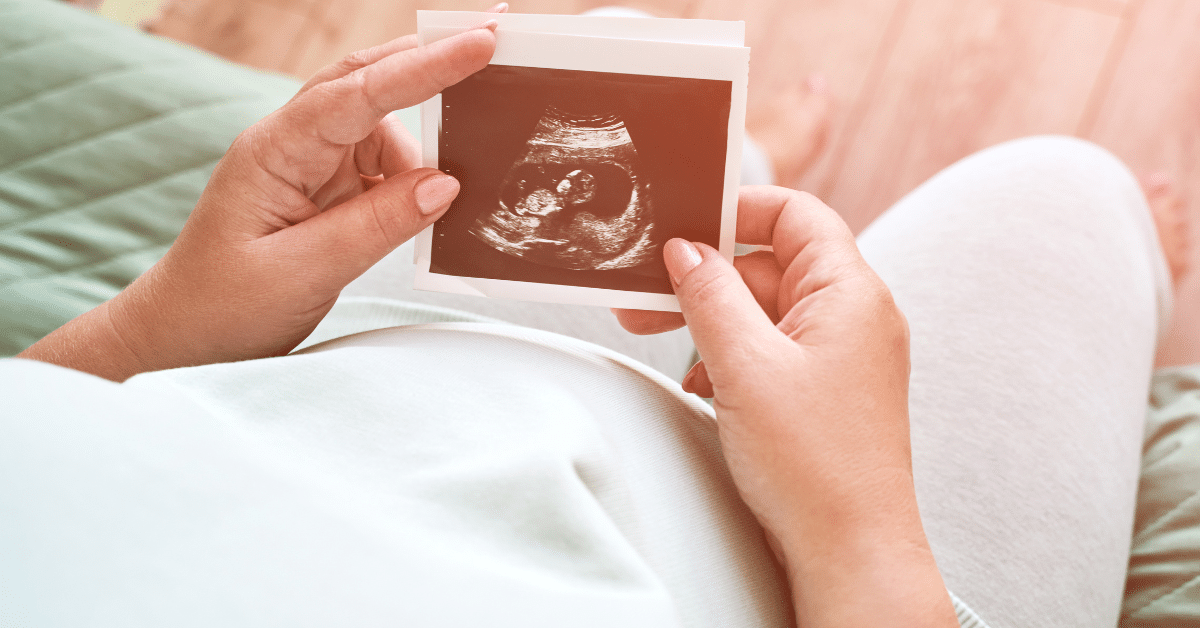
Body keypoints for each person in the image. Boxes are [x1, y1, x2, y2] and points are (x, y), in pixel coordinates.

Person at [3, 5, 1186, 628]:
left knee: (625, 81)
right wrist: (862, 529)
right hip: (810, 581)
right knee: (1061, 190)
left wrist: (157, 326)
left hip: (371, 386)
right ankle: (1108, 265)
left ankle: (749, 151)